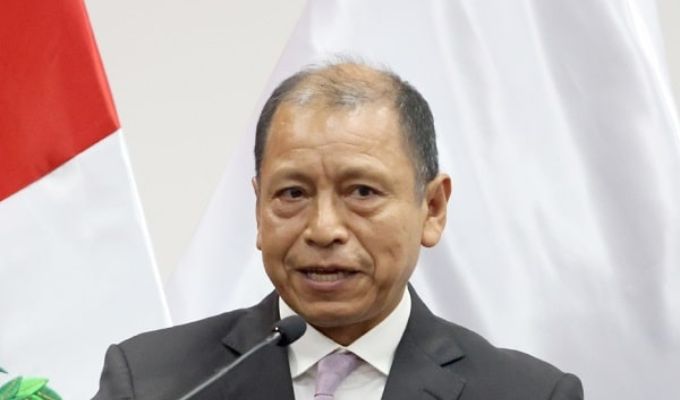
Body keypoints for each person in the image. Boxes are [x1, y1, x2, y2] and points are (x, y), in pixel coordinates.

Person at [93, 61, 584, 399]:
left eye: (362, 192)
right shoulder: (153, 382)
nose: (323, 229)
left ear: (432, 208)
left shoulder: (527, 393)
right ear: (258, 210)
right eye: (293, 194)